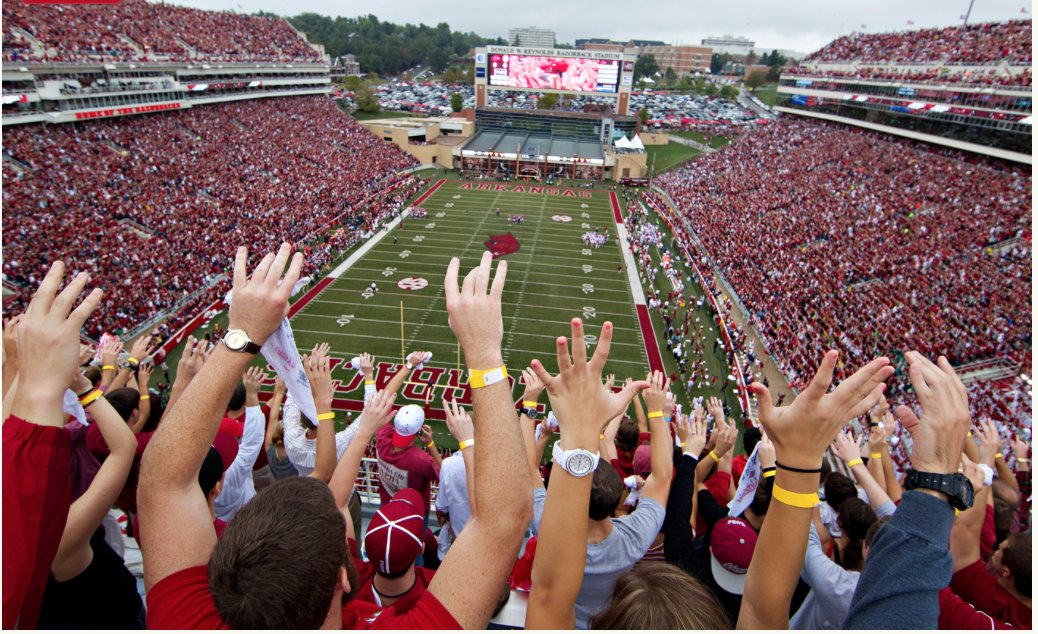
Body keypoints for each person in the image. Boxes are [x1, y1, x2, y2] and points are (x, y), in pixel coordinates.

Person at [137, 246, 532, 629]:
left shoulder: (187, 621)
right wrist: (483, 351)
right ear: (343, 579)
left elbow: (162, 480)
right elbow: (504, 517)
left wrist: (240, 336)